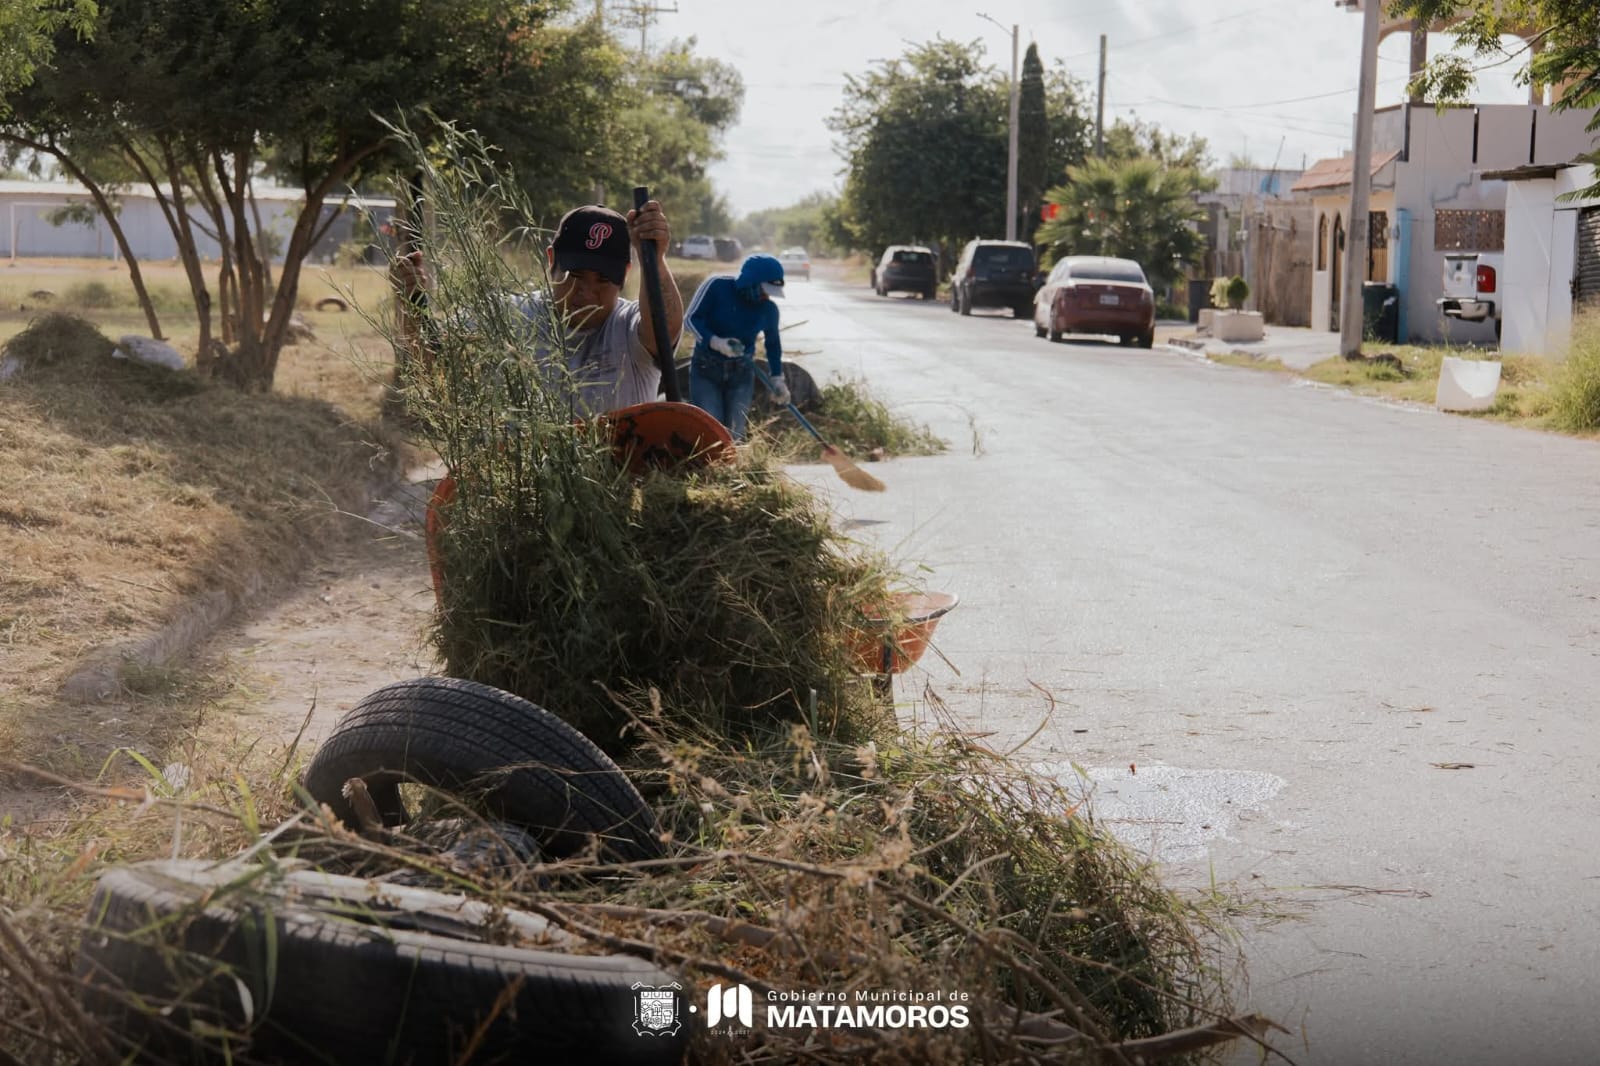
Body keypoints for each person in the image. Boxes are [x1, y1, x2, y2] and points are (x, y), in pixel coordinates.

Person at [391, 199, 682, 417]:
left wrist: (654, 260)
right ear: (551, 259)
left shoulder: (631, 328)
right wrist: (411, 302)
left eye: (603, 281)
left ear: (627, 273)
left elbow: (664, 331)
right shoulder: (507, 317)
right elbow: (432, 360)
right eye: (575, 276)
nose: (587, 293)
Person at [684, 254, 788, 439]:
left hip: (742, 372)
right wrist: (714, 341)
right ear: (751, 282)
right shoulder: (717, 286)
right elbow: (691, 319)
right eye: (764, 290)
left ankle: (731, 466)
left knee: (735, 432)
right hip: (706, 369)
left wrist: (777, 378)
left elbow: (773, 344)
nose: (766, 296)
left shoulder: (769, 310)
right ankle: (710, 466)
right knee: (710, 429)